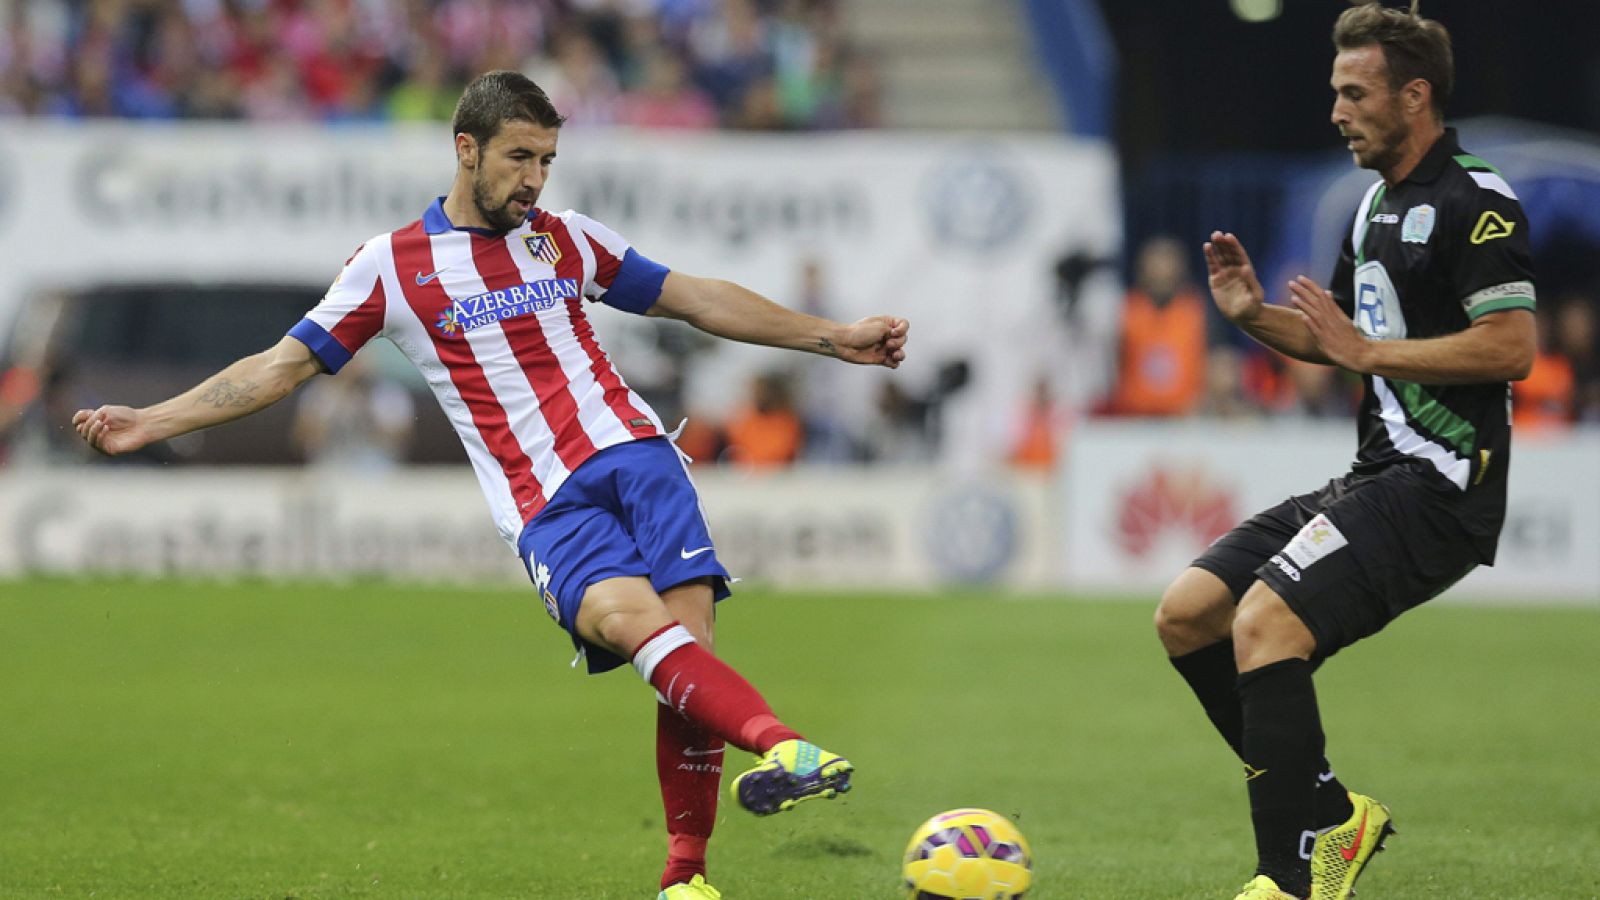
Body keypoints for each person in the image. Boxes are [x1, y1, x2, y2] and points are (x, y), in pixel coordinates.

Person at [72, 70, 910, 900]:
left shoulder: (566, 237)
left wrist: (833, 337)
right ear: (466, 149)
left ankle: (685, 880)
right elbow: (279, 368)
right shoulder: (391, 266)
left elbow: (694, 298)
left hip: (639, 455)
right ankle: (787, 746)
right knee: (635, 631)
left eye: (547, 159)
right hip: (544, 502)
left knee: (684, 659)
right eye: (520, 157)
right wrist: (152, 422)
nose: (535, 179)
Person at [1151, 4, 1537, 900]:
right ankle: (1329, 814)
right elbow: (1340, 338)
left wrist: (1372, 355)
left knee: (1262, 623)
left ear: (1415, 95)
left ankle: (1289, 877)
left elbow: (1511, 346)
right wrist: (1253, 317)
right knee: (1189, 614)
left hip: (1442, 487)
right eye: (1335, 92)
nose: (1336, 110)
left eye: (1355, 92)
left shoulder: (1475, 201)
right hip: (1375, 474)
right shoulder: (1370, 206)